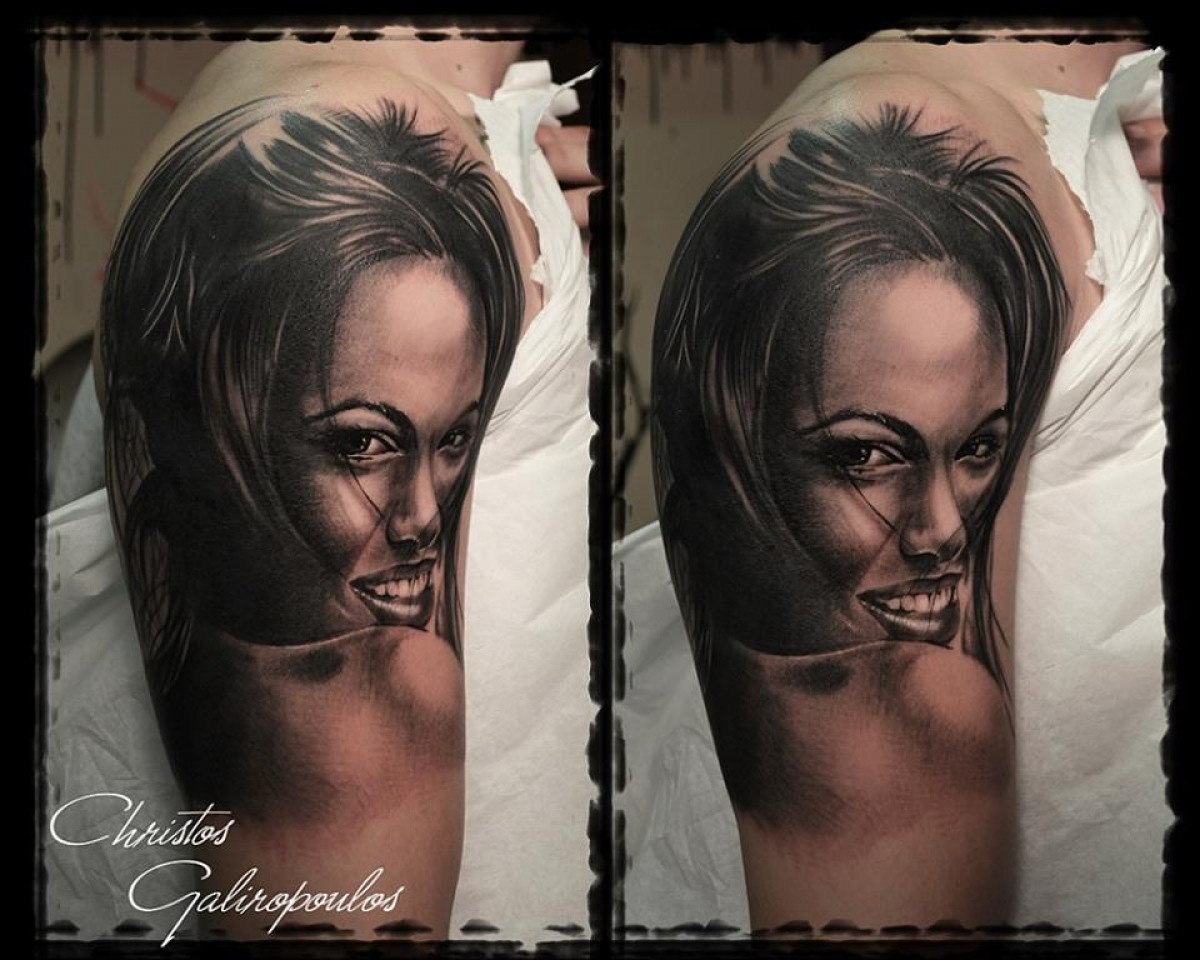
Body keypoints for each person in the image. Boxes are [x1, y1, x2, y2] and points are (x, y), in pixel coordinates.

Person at [47, 29, 597, 943]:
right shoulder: (326, 148)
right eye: (364, 445)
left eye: (452, 441)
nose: (419, 518)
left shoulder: (439, 142)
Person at [646, 29, 1166, 931]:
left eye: (976, 450)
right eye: (867, 457)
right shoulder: (884, 156)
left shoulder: (1100, 140)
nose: (941, 532)